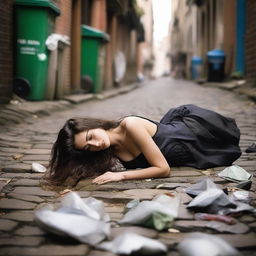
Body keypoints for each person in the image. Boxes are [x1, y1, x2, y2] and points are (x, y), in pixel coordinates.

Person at [45, 104, 241, 187]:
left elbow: (163, 170)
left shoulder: (131, 125)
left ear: (93, 126)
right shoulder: (109, 151)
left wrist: (121, 175)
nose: (95, 144)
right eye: (88, 148)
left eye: (90, 136)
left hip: (197, 137)